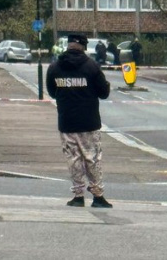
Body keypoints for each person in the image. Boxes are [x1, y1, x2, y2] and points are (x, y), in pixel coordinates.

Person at [46, 34, 113, 208]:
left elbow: (52, 92)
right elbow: (104, 93)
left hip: (66, 121)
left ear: (68, 45)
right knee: (92, 158)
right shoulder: (92, 67)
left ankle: (78, 196)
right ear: (83, 46)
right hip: (89, 121)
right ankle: (98, 196)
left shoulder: (54, 68)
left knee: (73, 159)